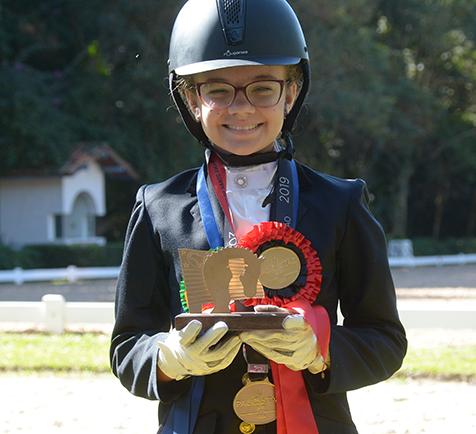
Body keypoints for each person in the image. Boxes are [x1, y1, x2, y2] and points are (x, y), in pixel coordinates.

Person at [109, 0, 407, 433]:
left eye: (263, 88)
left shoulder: (340, 203)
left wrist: (320, 350)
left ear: (290, 94)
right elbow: (127, 345)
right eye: (217, 90)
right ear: (192, 99)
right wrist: (169, 358)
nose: (242, 108)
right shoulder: (157, 208)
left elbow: (385, 338)